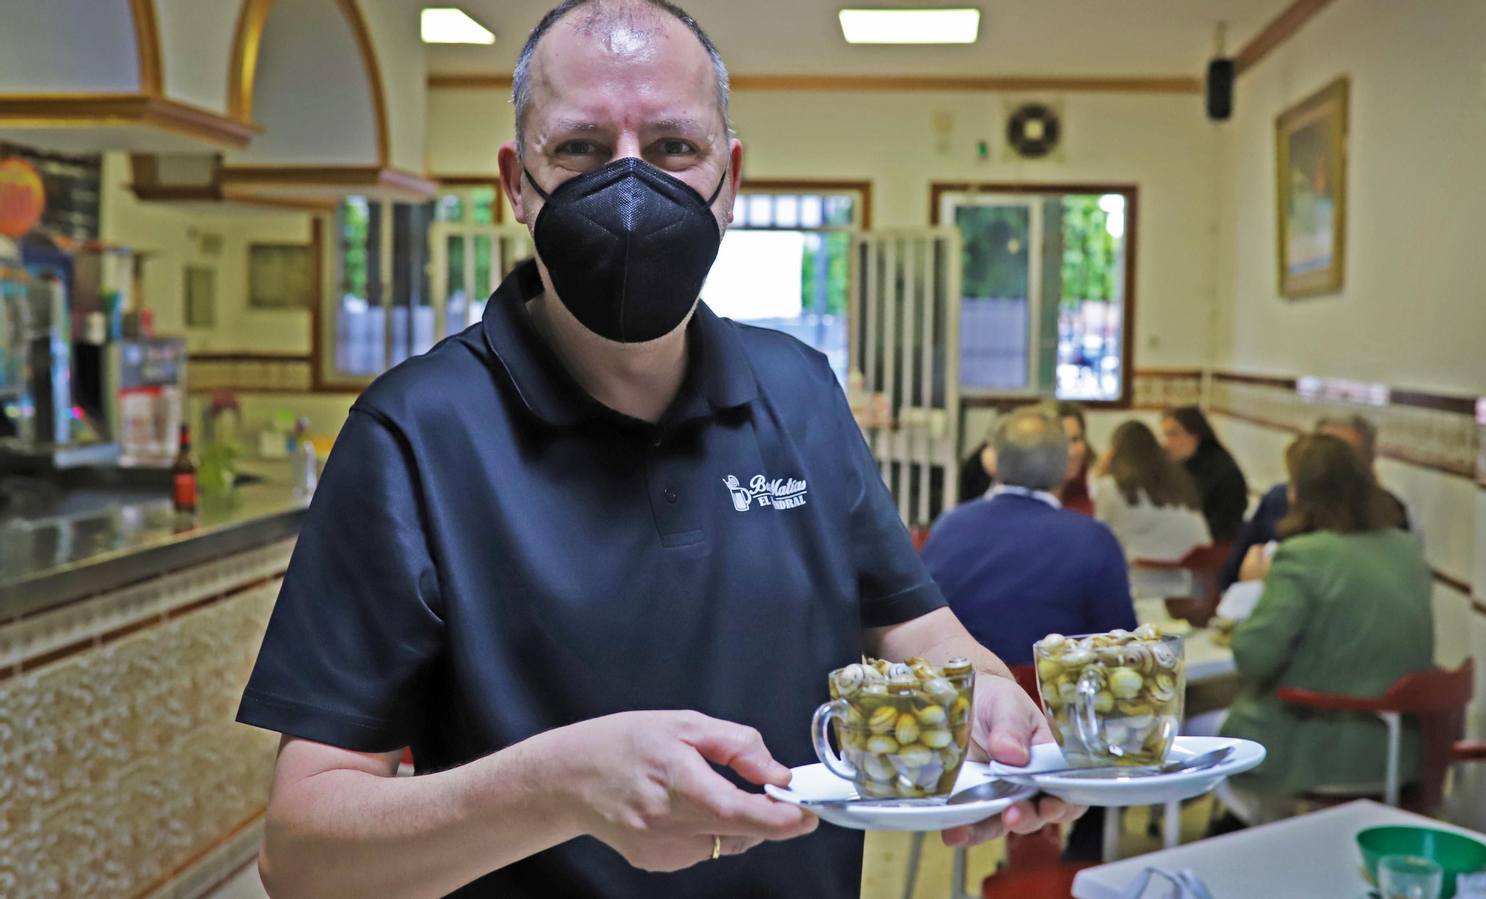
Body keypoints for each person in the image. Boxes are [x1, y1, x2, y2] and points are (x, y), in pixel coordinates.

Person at [234, 4, 1077, 898]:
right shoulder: (412, 433)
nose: (630, 184)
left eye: (674, 147)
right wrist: (560, 786)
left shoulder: (799, 391)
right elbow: (303, 854)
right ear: (517, 184)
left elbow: (915, 627)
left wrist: (990, 700)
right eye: (581, 149)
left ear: (730, 177)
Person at [1217, 435, 1434, 825]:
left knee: (1199, 735)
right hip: (1401, 753)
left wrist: (1252, 586)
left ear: (1298, 491)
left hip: (1317, 752)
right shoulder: (1407, 550)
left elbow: (1251, 657)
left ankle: (1249, 846)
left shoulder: (1303, 557)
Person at [922, 406, 1135, 666]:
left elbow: (925, 620)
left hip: (964, 686)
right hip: (1054, 689)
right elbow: (1121, 649)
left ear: (994, 461)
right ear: (1064, 464)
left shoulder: (949, 526)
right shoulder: (1094, 540)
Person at [1218, 414, 1412, 592]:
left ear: (1369, 461)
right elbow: (1231, 576)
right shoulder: (1278, 500)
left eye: (1344, 459)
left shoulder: (1387, 511)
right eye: (1320, 455)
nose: (1329, 468)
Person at [1090, 420, 1212, 601]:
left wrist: (1097, 474)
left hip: (1142, 590)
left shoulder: (1111, 487)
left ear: (1114, 453)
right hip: (1194, 590)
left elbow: (1098, 540)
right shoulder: (1181, 483)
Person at [957, 400, 1096, 511]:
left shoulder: (1092, 486)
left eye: (1075, 439)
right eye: (1062, 442)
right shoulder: (1009, 490)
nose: (1070, 451)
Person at [1161, 406, 1249, 543]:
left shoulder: (1223, 471)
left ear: (1195, 436)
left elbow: (1222, 527)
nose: (1166, 443)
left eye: (1173, 434)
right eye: (1166, 435)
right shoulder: (1181, 464)